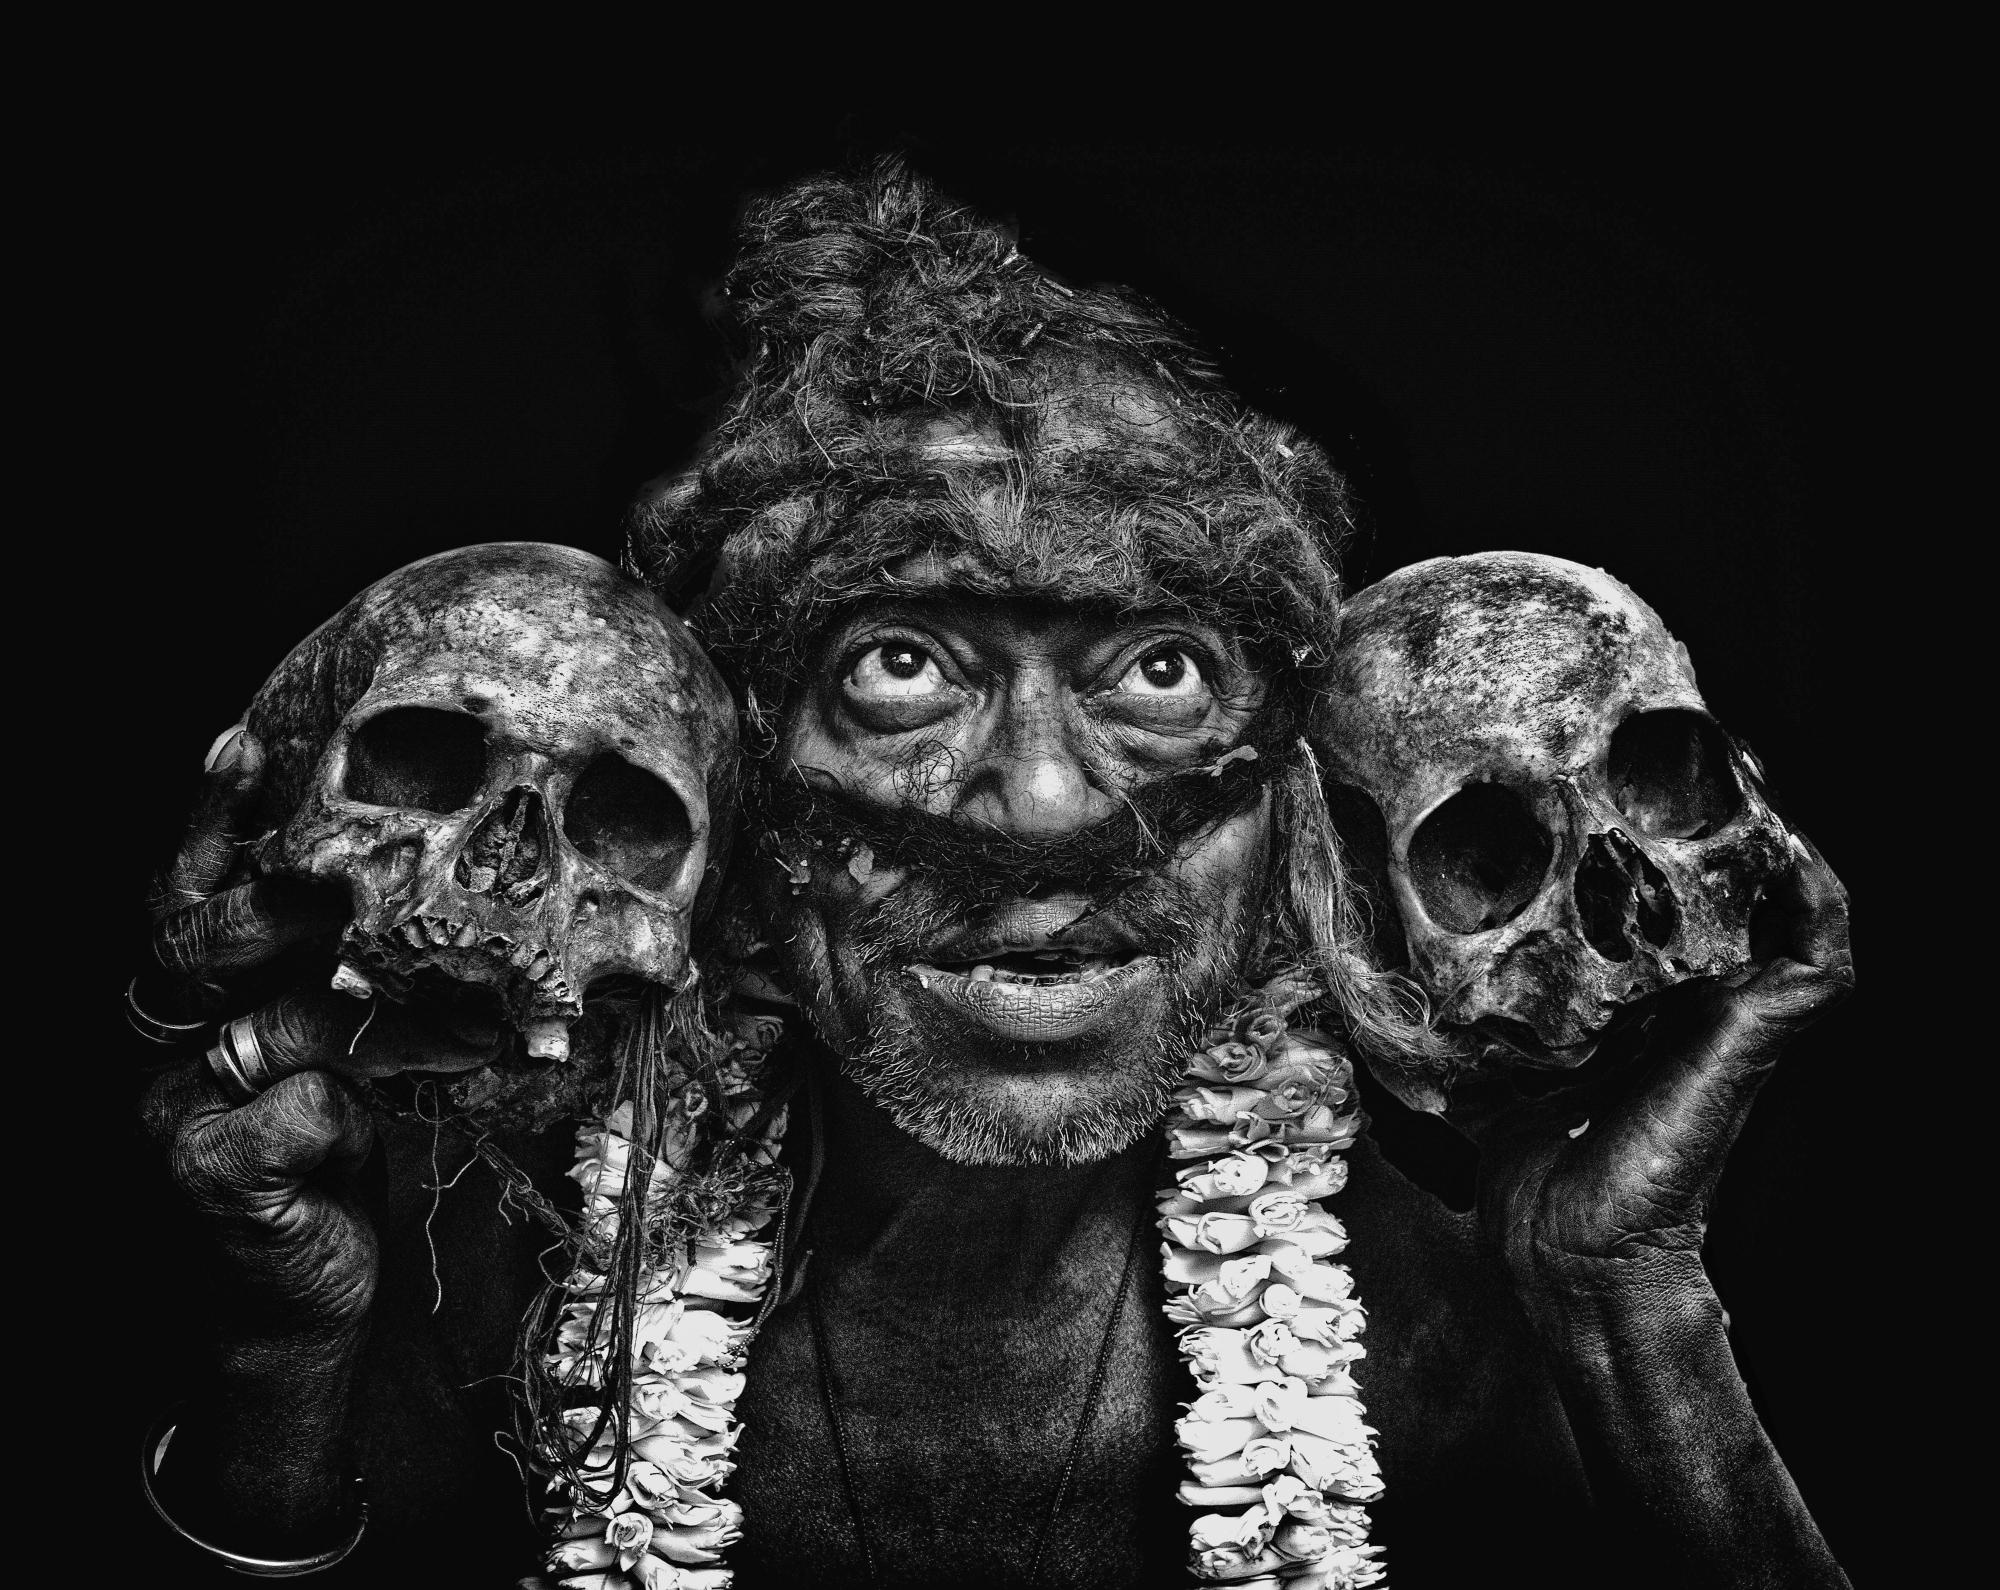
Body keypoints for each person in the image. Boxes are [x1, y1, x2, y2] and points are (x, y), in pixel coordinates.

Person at [136, 160, 1853, 1587]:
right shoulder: (493, 1287)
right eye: (902, 664)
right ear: (732, 790)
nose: (1035, 805)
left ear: (1294, 807)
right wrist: (279, 1370)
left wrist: (1626, 1301)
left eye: (1160, 670)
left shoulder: (1460, 1327)